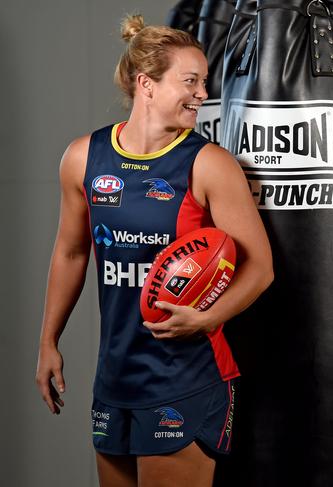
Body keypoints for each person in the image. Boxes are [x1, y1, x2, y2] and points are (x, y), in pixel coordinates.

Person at [35, 15, 273, 487]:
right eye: (190, 81)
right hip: (116, 375)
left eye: (204, 82)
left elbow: (261, 268)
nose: (202, 94)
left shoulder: (209, 164)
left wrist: (208, 318)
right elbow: (70, 253)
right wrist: (48, 341)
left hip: (186, 375)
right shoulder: (84, 157)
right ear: (146, 83)